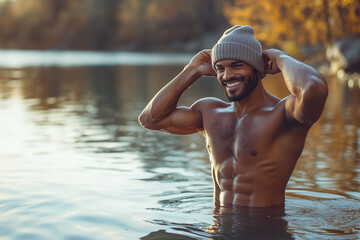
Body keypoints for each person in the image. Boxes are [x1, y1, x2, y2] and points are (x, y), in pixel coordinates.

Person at [138, 25, 328, 207]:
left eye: (237, 66)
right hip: (218, 228)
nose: (227, 75)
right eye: (220, 68)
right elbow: (150, 119)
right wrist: (192, 70)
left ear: (258, 68)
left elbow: (313, 88)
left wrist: (280, 57)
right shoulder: (210, 112)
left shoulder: (283, 115)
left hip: (265, 229)